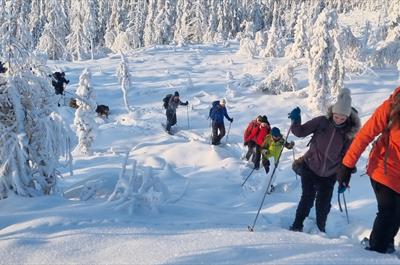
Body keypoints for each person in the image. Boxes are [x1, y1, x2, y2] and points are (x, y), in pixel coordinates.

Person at [337, 87, 400, 254]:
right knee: (388, 210)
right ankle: (373, 252)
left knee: (396, 214)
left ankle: (385, 245)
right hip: (383, 169)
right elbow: (364, 136)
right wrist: (346, 166)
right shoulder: (391, 106)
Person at [288, 88, 361, 233]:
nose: (339, 120)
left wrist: (344, 179)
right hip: (310, 166)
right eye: (336, 116)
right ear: (332, 112)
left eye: (342, 118)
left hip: (330, 174)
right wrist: (295, 121)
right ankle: (297, 226)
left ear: (348, 117)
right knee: (307, 198)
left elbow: (347, 158)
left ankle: (321, 229)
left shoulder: (348, 134)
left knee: (323, 204)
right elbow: (300, 132)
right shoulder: (321, 122)